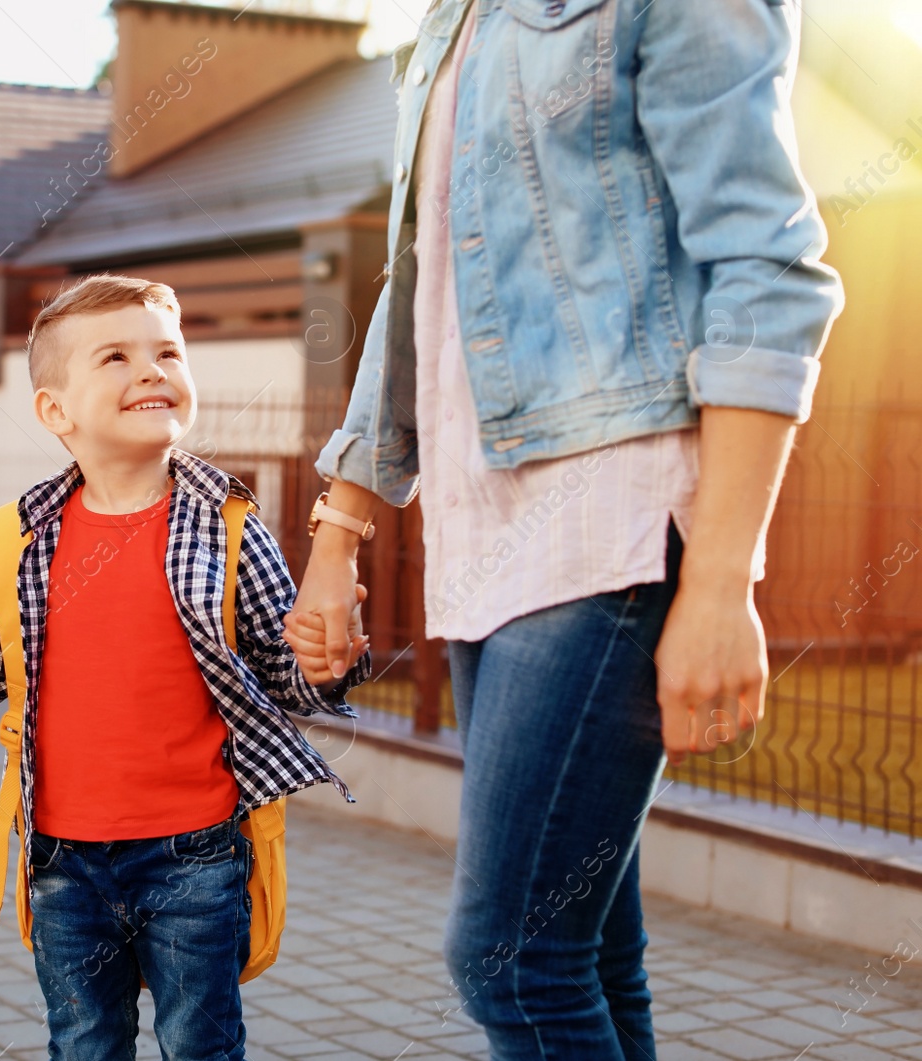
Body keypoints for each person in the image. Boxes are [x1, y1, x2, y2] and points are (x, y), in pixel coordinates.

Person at [285, 1, 843, 1058]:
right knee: (583, 952)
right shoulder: (452, 16)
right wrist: (339, 527)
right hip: (485, 539)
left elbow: (765, 266)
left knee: (506, 956)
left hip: (611, 521)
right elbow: (416, 282)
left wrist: (722, 579)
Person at [0, 275, 367, 1060]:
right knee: (84, 1043)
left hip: (197, 854)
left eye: (168, 352)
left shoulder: (228, 527)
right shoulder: (18, 540)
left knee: (202, 1043)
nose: (152, 370)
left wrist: (325, 662)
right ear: (57, 411)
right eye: (116, 356)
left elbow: (280, 671)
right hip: (63, 858)